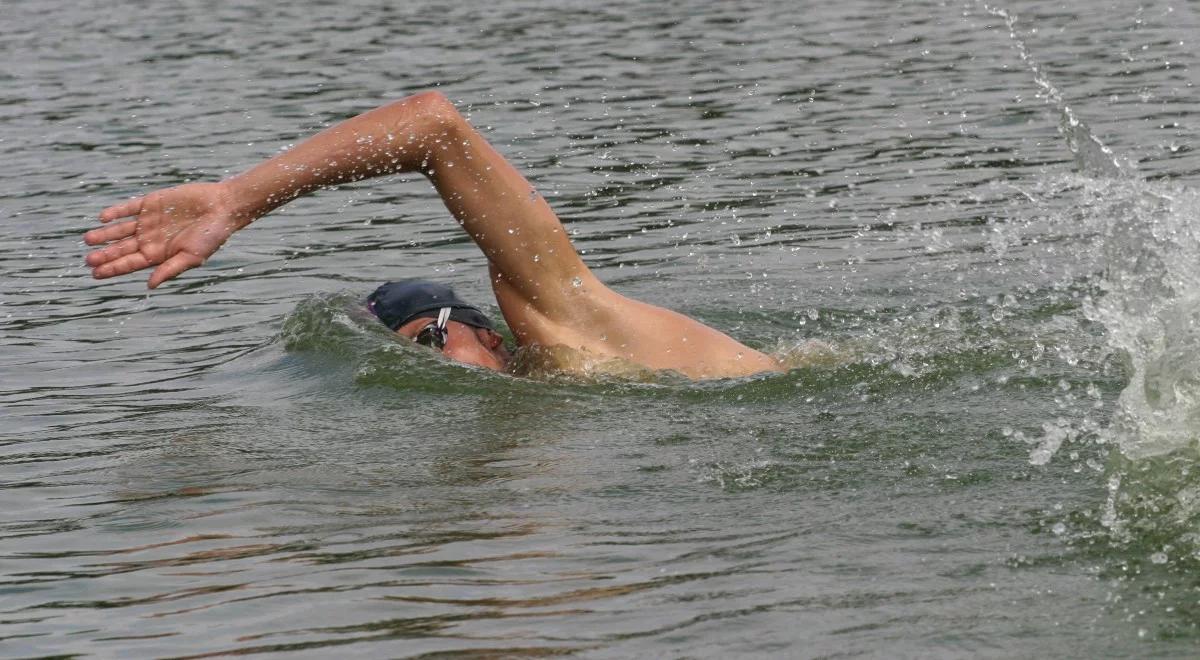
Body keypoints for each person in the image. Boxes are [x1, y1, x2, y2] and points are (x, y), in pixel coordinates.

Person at [84, 91, 782, 380]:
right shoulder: (558, 391)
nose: (440, 366)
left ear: (495, 335)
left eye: (431, 339)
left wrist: (236, 200)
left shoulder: (565, 320)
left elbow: (431, 124)